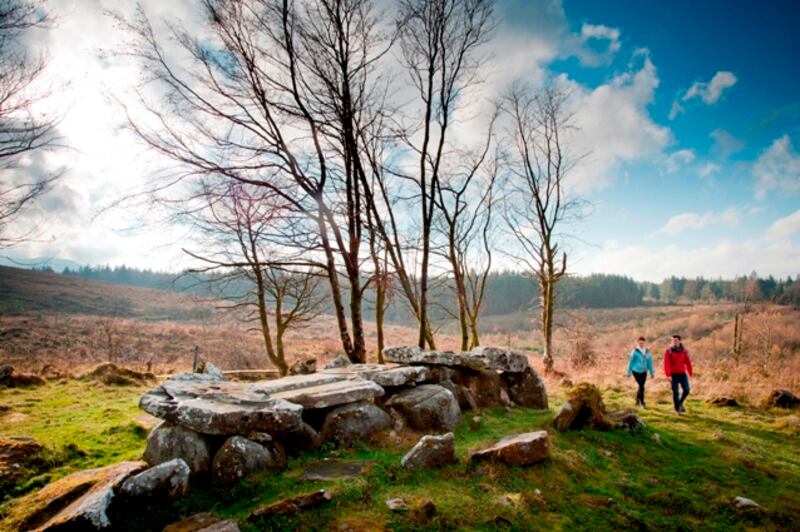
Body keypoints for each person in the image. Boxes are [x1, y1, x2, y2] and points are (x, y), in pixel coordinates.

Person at [664, 334, 693, 414]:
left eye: (676, 340)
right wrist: (668, 375)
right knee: (675, 392)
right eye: (673, 340)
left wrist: (690, 372)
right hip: (673, 375)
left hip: (682, 374)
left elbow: (688, 362)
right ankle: (677, 409)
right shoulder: (668, 351)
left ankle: (680, 403)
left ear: (680, 341)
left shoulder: (684, 351)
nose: (674, 342)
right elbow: (667, 364)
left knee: (687, 390)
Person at [627, 336, 655, 407]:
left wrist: (652, 372)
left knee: (641, 386)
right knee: (642, 386)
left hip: (644, 372)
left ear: (644, 343)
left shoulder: (647, 351)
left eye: (642, 343)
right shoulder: (635, 351)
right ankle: (642, 402)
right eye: (640, 343)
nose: (641, 344)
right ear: (638, 343)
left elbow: (650, 362)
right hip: (636, 371)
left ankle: (637, 399)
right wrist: (629, 372)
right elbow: (631, 362)